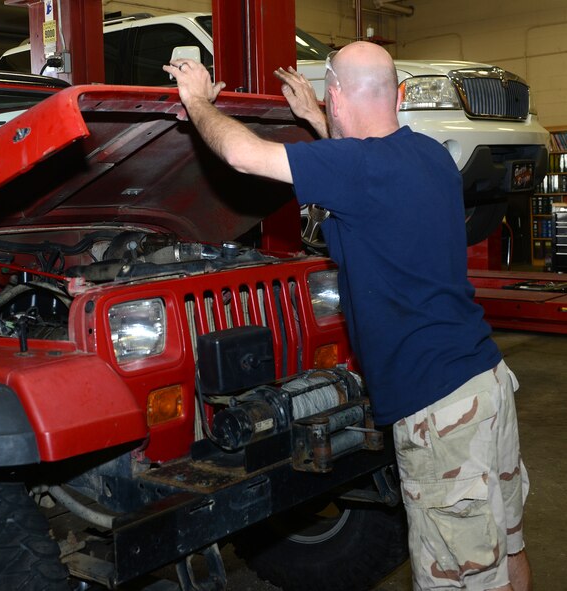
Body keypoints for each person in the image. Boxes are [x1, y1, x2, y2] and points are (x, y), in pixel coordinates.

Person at [163, 42, 531, 591]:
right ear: (399, 95)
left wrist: (197, 101)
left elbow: (242, 155)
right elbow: (361, 172)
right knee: (506, 548)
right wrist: (315, 118)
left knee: (464, 578)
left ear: (337, 95)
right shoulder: (431, 156)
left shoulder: (356, 169)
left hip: (440, 414)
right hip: (487, 384)